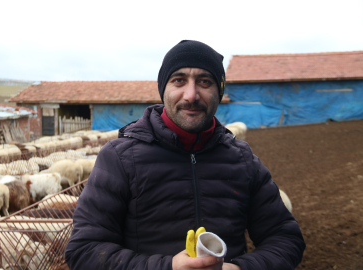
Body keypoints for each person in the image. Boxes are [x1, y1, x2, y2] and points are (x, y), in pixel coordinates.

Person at [65, 40, 305, 270]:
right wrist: (167, 267)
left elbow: (286, 239)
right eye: (179, 80)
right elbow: (84, 250)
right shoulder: (119, 158)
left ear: (218, 91)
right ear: (164, 89)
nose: (191, 95)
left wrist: (240, 268)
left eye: (204, 81)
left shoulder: (242, 160)